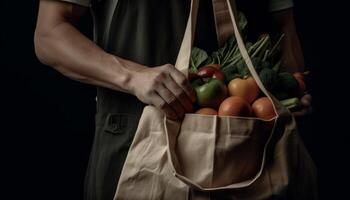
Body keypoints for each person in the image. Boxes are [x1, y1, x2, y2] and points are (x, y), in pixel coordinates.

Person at [34, 0, 311, 199]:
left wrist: (292, 89)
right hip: (133, 149)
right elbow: (50, 33)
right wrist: (134, 77)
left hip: (246, 153)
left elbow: (283, 25)